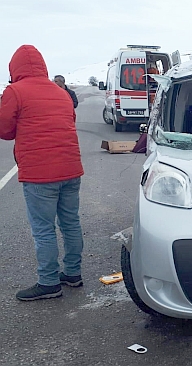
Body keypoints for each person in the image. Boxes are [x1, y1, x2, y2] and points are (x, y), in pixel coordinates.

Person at [0, 45, 85, 301]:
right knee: (70, 222)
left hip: (39, 174)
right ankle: (72, 273)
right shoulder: (60, 93)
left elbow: (4, 130)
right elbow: (69, 121)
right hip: (71, 169)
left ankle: (48, 282)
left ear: (15, 68)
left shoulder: (15, 91)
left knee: (43, 229)